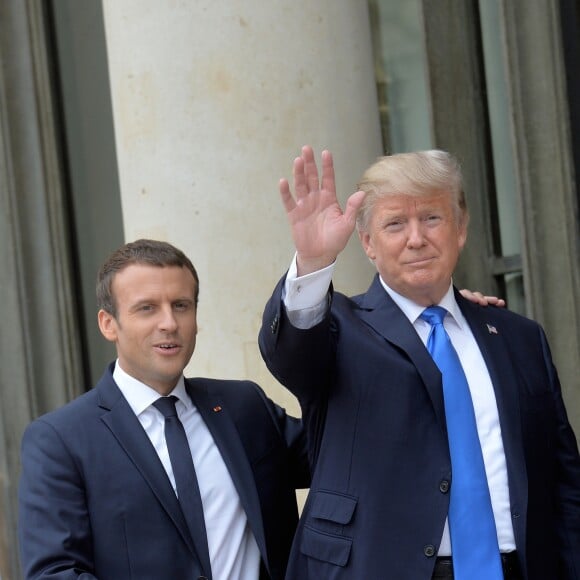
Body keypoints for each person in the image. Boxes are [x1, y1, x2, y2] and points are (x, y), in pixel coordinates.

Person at [258, 146, 580, 580]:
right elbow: (291, 353)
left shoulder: (519, 338)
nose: (416, 238)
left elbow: (563, 480)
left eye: (432, 218)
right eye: (395, 224)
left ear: (461, 228)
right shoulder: (338, 329)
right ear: (368, 242)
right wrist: (314, 264)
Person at [18, 239, 310, 580]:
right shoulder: (60, 441)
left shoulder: (245, 408)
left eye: (181, 305)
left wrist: (313, 265)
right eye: (147, 308)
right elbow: (54, 574)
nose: (169, 323)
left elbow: (343, 453)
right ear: (108, 323)